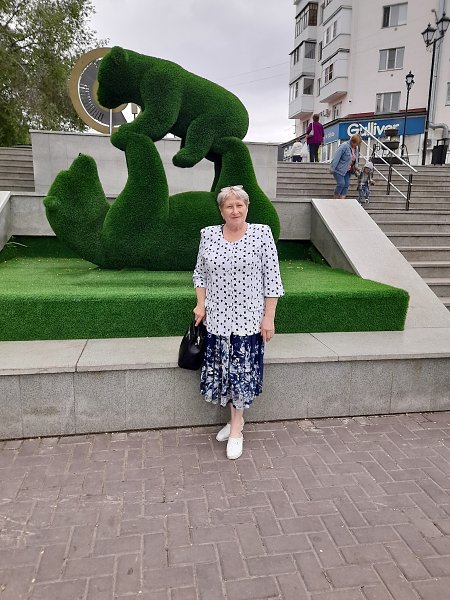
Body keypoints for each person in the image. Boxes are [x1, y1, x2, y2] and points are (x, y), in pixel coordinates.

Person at [193, 185, 284, 460]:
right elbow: (200, 274)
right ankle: (237, 420)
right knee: (225, 374)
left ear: (247, 207)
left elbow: (273, 279)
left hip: (248, 321)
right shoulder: (208, 235)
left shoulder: (261, 234)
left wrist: (269, 317)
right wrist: (200, 304)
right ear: (221, 210)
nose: (235, 210)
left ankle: (235, 430)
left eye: (239, 205)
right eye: (229, 206)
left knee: (241, 376)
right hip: (217, 321)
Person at [330, 134, 362, 199]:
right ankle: (336, 198)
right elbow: (336, 157)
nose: (356, 145)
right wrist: (332, 168)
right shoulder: (344, 146)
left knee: (346, 185)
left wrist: (356, 166)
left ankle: (342, 200)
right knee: (341, 183)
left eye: (357, 144)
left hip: (348, 170)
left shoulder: (356, 149)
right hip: (339, 169)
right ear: (352, 141)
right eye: (356, 144)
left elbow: (355, 159)